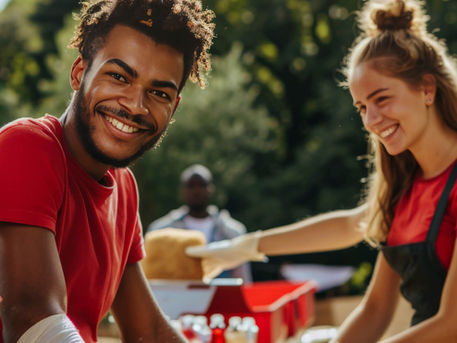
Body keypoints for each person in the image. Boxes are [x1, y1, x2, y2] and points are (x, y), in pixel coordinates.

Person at [187, 0, 457, 341]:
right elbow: (374, 309)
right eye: (361, 107)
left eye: (382, 99)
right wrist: (248, 245)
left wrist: (249, 246)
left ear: (427, 89)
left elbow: (451, 324)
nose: (371, 120)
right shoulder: (403, 191)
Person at [0, 0, 215, 342]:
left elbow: (149, 332)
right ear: (78, 73)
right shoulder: (26, 147)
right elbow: (31, 314)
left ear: (173, 108)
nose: (135, 105)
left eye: (158, 92)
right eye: (118, 76)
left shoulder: (124, 188)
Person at [147, 164, 252, 282]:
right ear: (182, 190)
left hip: (221, 298)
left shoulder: (232, 232)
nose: (196, 190)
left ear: (211, 189)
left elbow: (242, 279)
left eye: (202, 185)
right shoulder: (160, 230)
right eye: (191, 185)